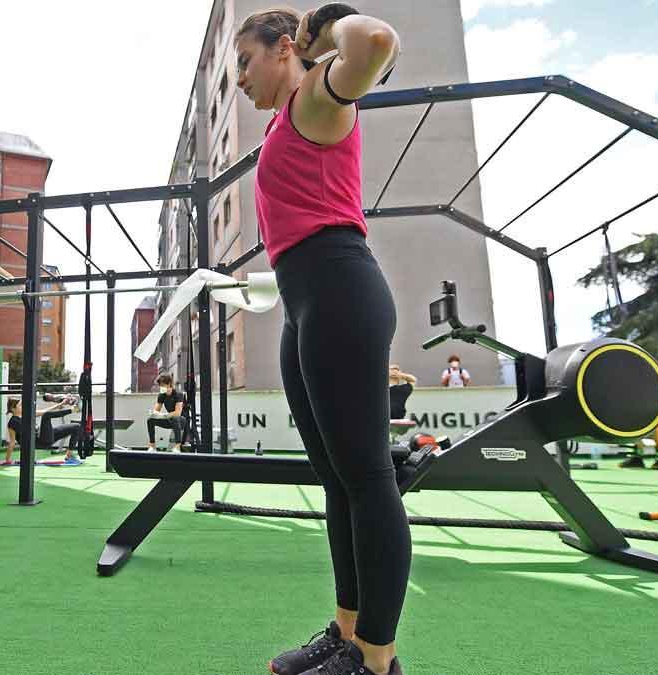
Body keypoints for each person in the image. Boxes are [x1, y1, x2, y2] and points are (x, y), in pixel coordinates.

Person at [234, 5, 406, 675]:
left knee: (367, 477)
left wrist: (325, 26)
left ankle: (376, 659)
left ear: (284, 50)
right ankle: (347, 631)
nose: (241, 79)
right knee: (337, 479)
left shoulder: (317, 97)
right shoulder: (288, 118)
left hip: (339, 289)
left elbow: (377, 41)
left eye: (246, 61)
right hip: (305, 299)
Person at [5, 395, 83, 463]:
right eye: (20, 406)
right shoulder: (13, 422)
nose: (22, 407)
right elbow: (12, 442)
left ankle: (69, 455)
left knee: (76, 426)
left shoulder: (27, 414)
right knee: (46, 416)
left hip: (46, 436)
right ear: (13, 409)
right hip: (40, 441)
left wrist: (61, 404)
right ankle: (72, 410)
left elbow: (45, 411)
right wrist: (7, 460)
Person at [146, 373, 187, 452]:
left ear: (169, 384)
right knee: (150, 420)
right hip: (169, 419)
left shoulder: (178, 394)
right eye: (160, 385)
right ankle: (152, 446)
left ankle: (177, 446)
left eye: (162, 385)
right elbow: (156, 411)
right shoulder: (162, 395)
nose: (161, 387)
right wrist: (153, 413)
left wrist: (165, 415)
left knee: (175, 418)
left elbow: (178, 413)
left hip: (181, 421)